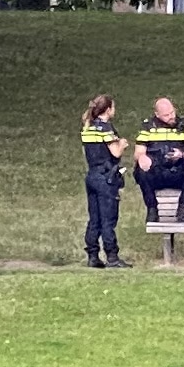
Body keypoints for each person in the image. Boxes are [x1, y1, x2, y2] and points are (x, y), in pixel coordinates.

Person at [135, 95, 184, 226]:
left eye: (172, 112)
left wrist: (182, 154)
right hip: (157, 172)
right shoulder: (148, 127)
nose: (171, 116)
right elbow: (138, 151)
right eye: (166, 115)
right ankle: (152, 209)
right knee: (140, 168)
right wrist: (142, 157)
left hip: (178, 173)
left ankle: (182, 208)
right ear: (157, 115)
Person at [81, 94, 130, 268]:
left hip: (92, 175)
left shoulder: (88, 127)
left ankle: (93, 255)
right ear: (108, 109)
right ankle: (112, 256)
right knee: (108, 219)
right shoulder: (106, 128)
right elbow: (115, 152)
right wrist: (122, 144)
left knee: (94, 218)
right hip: (106, 178)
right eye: (113, 107)